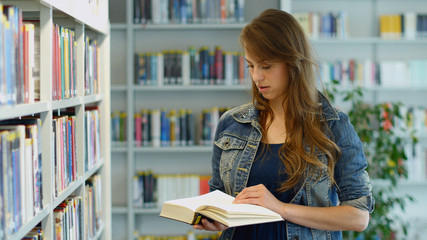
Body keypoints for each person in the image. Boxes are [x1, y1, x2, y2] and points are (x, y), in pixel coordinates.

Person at [193, 8, 375, 240]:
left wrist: (281, 208)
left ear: (292, 63)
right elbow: (220, 199)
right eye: (250, 65)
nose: (256, 76)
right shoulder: (232, 124)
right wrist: (214, 219)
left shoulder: (333, 126)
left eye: (266, 66)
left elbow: (358, 217)